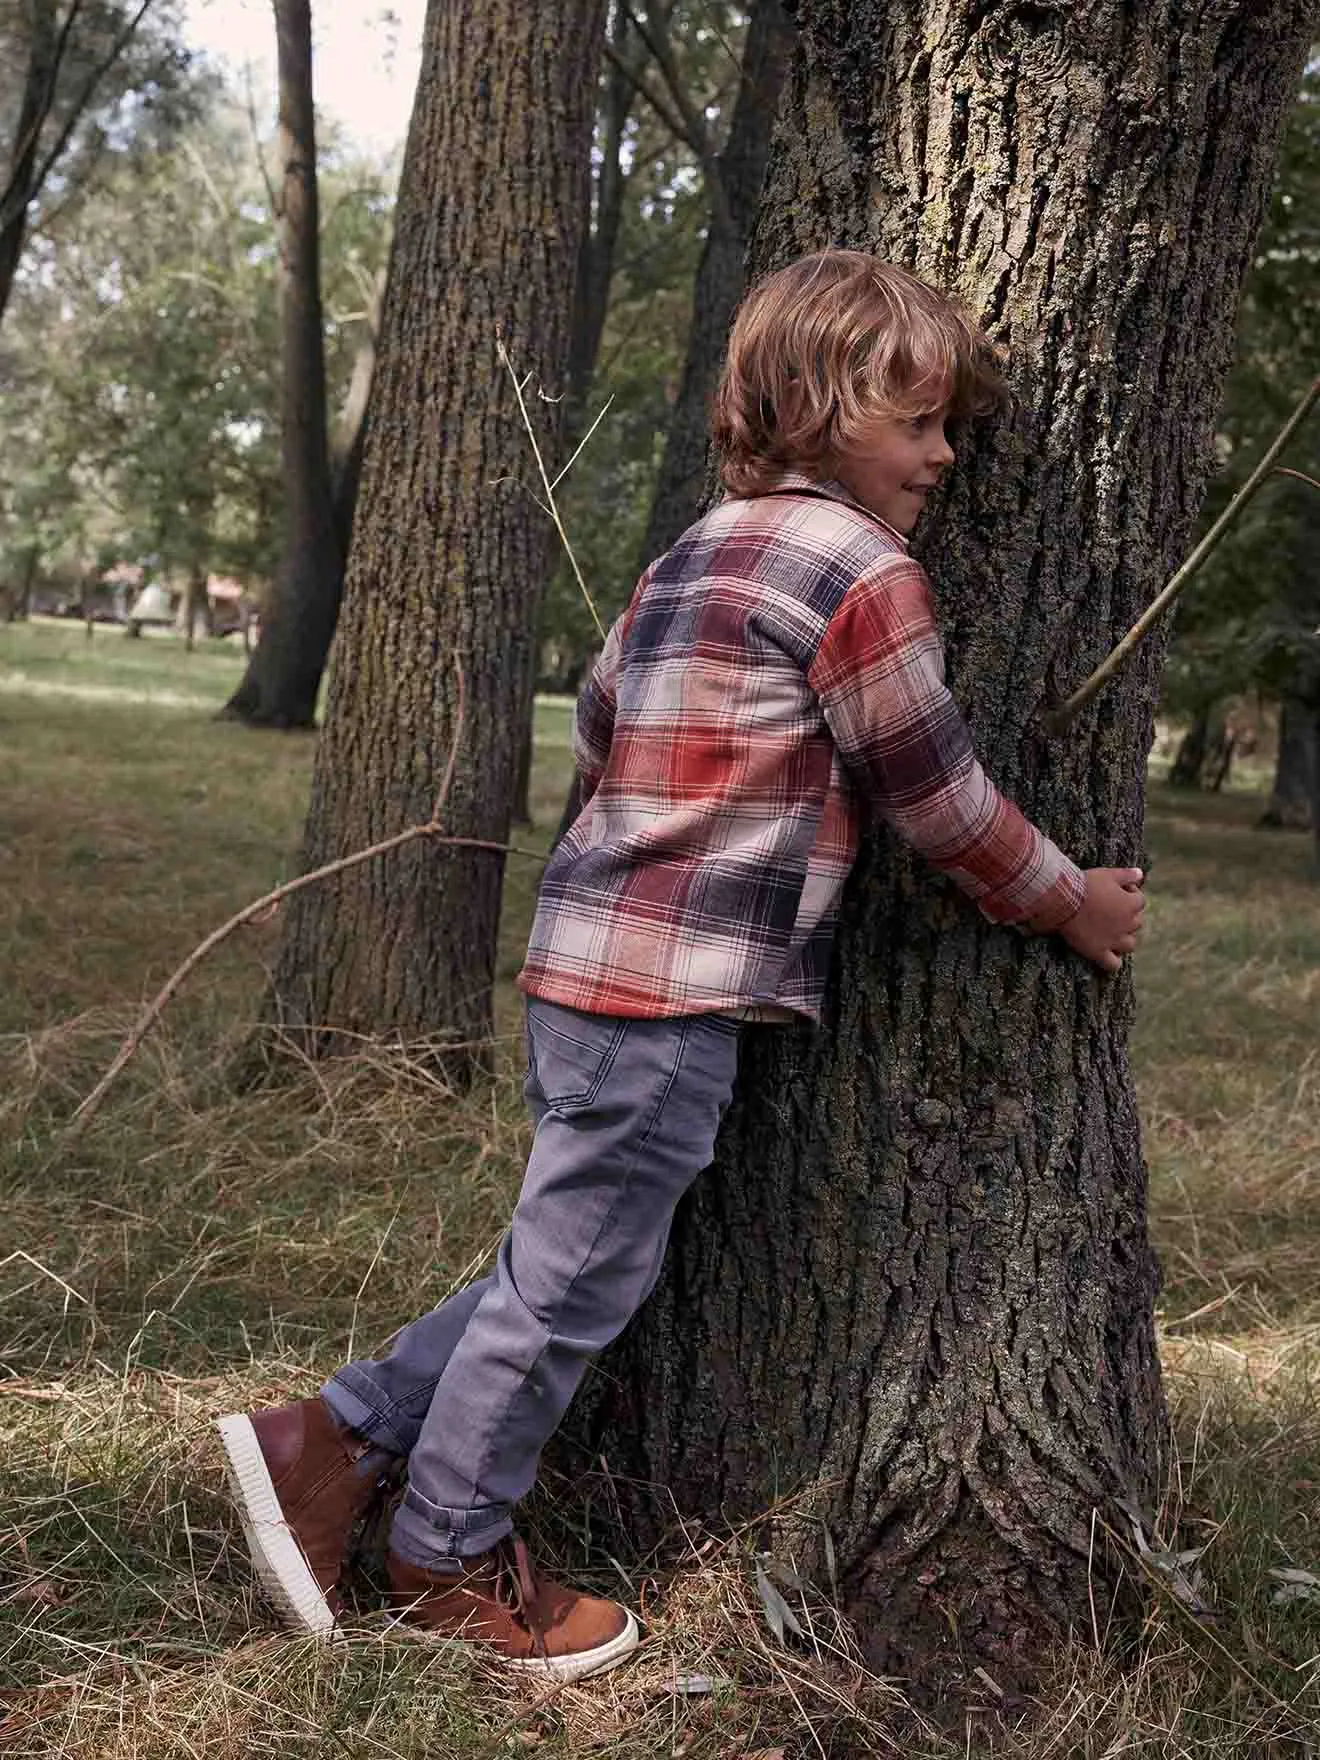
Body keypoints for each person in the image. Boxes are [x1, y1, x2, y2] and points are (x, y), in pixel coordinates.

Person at [216, 249, 1145, 1683]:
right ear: (832, 406)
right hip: (671, 992)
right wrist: (1068, 897)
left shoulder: (695, 550)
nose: (945, 457)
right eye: (921, 424)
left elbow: (600, 722)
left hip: (584, 967)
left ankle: (327, 1442)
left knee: (565, 1262)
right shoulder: (862, 570)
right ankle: (448, 1557)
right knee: (575, 1287)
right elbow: (937, 794)